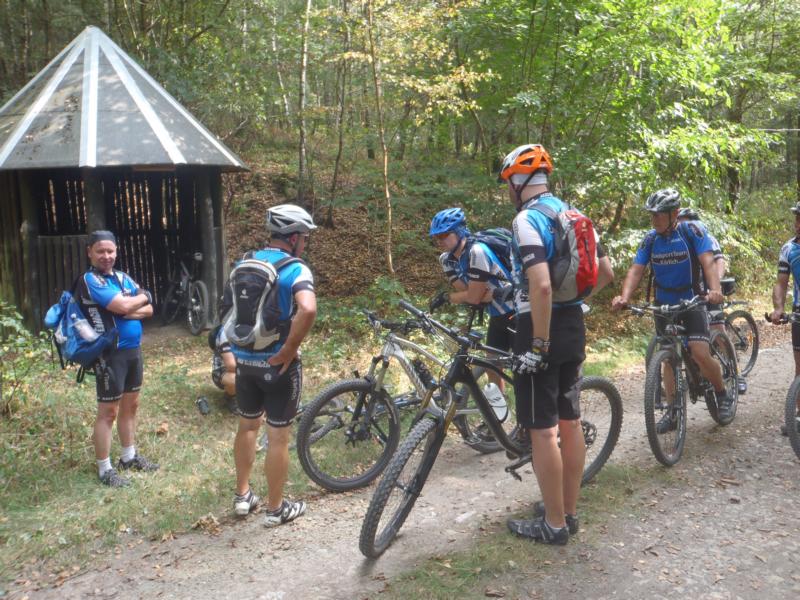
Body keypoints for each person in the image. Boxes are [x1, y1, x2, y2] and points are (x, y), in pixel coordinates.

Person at [498, 144, 614, 544]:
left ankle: (553, 525)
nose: (507, 190)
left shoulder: (526, 220)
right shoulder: (576, 215)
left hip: (538, 327)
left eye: (508, 183)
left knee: (543, 430)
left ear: (519, 181)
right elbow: (606, 273)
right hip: (573, 324)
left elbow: (542, 285)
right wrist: (576, 302)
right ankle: (567, 511)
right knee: (570, 421)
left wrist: (538, 343)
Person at [225, 204, 317, 527]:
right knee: (277, 437)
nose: (304, 243)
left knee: (247, 426)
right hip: (277, 365)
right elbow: (308, 309)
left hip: (244, 361)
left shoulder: (245, 262)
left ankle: (242, 496)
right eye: (304, 237)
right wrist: (289, 349)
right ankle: (276, 509)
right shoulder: (296, 269)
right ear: (292, 238)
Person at [611, 189, 734, 427]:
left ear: (675, 213)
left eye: (659, 214)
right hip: (664, 304)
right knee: (668, 357)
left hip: (692, 300)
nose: (654, 219)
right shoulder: (650, 239)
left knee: (699, 352)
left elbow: (708, 262)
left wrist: (714, 290)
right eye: (652, 215)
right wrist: (624, 297)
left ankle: (722, 393)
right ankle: (672, 412)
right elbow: (636, 270)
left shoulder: (692, 231)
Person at [75, 230, 157, 488]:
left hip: (133, 351)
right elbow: (124, 306)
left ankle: (128, 457)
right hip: (109, 354)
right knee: (108, 412)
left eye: (110, 251)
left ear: (116, 252)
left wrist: (131, 307)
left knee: (131, 406)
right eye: (100, 251)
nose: (106, 256)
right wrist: (142, 297)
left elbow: (149, 310)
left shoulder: (122, 277)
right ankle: (104, 469)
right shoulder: (90, 280)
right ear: (89, 252)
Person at [429, 207, 515, 392]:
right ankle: (497, 408)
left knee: (522, 370)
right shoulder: (449, 259)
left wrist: (447, 297)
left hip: (516, 313)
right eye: (436, 237)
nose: (440, 241)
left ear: (459, 231)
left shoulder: (477, 251)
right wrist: (472, 293)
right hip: (497, 315)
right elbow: (467, 291)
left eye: (444, 235)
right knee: (492, 365)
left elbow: (473, 298)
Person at [769, 202, 800, 435]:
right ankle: (798, 415)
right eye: (797, 219)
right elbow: (781, 283)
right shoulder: (789, 249)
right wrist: (778, 308)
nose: (798, 224)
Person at [677, 207, 727, 332]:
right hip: (691, 291)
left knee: (717, 329)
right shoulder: (677, 240)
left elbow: (719, 261)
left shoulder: (707, 238)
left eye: (684, 221)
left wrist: (716, 282)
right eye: (678, 221)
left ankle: (725, 344)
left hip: (708, 288)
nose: (681, 224)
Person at [210, 324, 238, 413]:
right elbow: (231, 366)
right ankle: (231, 397)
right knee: (235, 379)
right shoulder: (226, 331)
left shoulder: (256, 328)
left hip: (244, 367)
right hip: (222, 370)